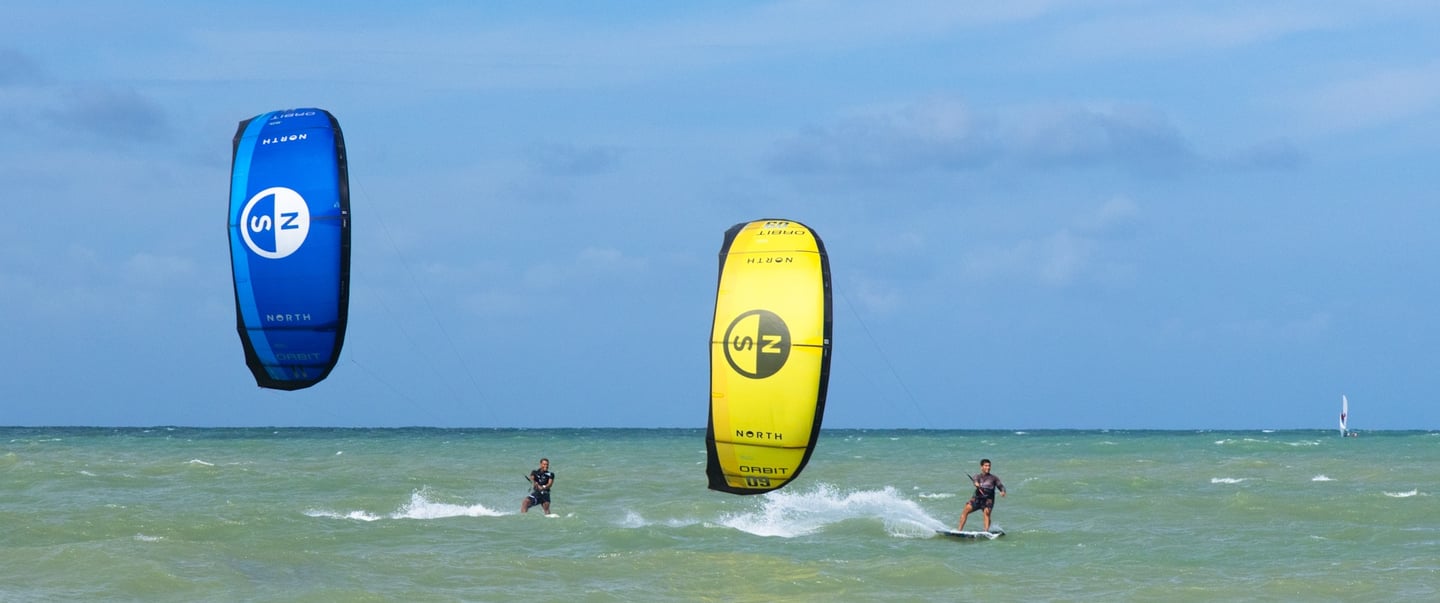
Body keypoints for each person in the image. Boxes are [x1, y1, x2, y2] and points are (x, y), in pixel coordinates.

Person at [956, 458, 1006, 532]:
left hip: (988, 500)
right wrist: (976, 484)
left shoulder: (994, 478)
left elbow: (1000, 485)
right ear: (981, 467)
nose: (988, 467)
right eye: (986, 466)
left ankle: (986, 532)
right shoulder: (977, 476)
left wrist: (1003, 491)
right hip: (977, 498)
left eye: (989, 466)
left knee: (987, 513)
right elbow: (975, 481)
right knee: (965, 510)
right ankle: (959, 531)